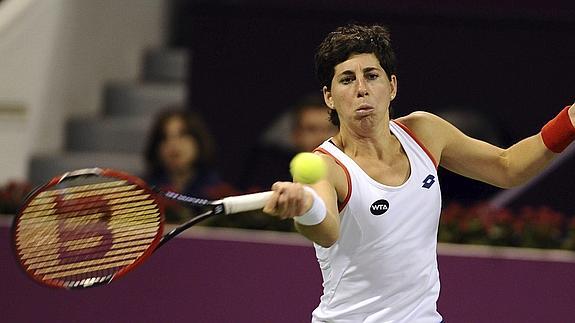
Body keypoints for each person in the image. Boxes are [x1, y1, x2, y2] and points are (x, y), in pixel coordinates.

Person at [261, 23, 575, 322]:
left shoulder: (425, 132)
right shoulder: (325, 167)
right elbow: (326, 231)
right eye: (346, 79)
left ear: (392, 86)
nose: (361, 89)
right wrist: (305, 208)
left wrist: (571, 120)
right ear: (329, 96)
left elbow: (508, 168)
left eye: (372, 75)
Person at [143, 108, 237, 222]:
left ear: (198, 141)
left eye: (182, 135)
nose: (173, 144)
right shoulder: (143, 192)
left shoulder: (217, 191)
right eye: (164, 137)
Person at [240, 93, 338, 191]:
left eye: (329, 129)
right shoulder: (269, 173)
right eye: (311, 129)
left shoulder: (350, 170)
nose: (321, 137)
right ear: (296, 135)